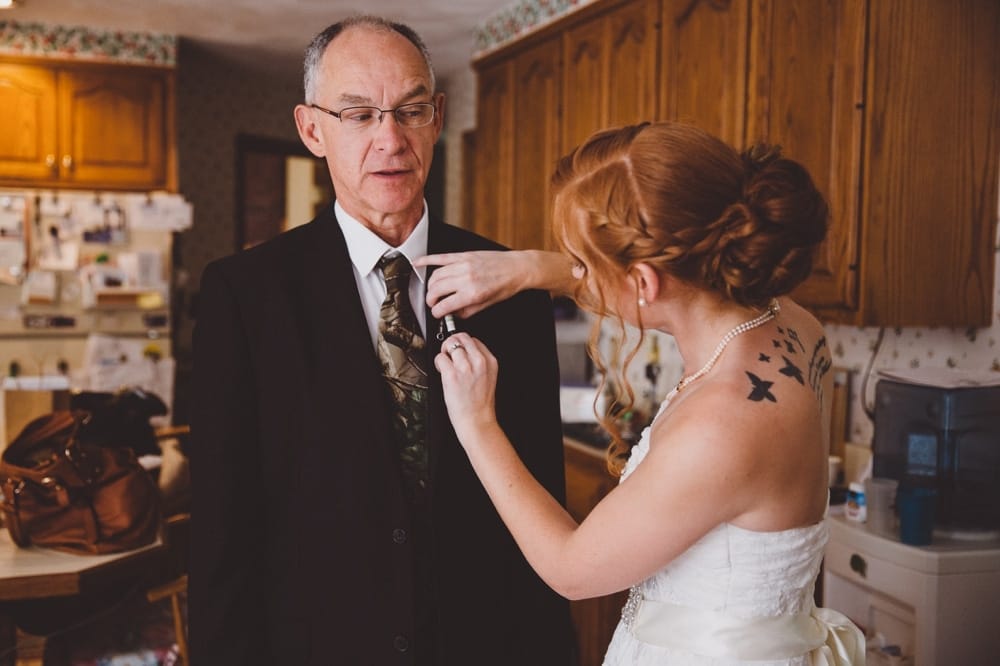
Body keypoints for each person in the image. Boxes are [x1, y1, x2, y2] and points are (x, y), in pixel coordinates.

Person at [189, 15, 573, 666]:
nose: (390, 138)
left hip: (483, 642)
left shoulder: (514, 285)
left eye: (409, 110)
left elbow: (543, 492)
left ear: (437, 117)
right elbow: (223, 529)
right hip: (315, 644)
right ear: (313, 129)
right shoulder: (242, 295)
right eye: (359, 114)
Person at [422, 122, 865, 665]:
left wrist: (478, 426)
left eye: (583, 263)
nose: (577, 273)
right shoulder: (796, 325)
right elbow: (657, 278)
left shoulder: (719, 424)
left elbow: (570, 570)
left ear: (644, 282)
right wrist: (531, 268)